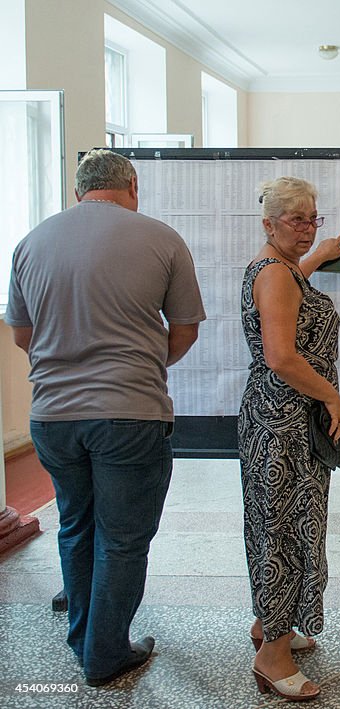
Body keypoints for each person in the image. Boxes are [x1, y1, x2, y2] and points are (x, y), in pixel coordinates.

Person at [5, 149, 205, 686]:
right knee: (123, 537)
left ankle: (84, 637)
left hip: (51, 416)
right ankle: (106, 652)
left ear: (78, 192)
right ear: (132, 185)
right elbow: (185, 326)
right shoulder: (161, 238)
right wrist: (140, 364)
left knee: (75, 524)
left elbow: (22, 333)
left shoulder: (31, 242)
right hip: (130, 415)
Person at [238, 176, 340, 701]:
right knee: (286, 530)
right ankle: (273, 656)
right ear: (268, 223)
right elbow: (282, 356)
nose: (306, 229)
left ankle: (269, 622)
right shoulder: (275, 275)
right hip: (284, 425)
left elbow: (288, 291)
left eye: (312, 219)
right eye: (295, 220)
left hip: (276, 418)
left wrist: (317, 258)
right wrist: (331, 395)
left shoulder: (279, 270)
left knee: (274, 523)